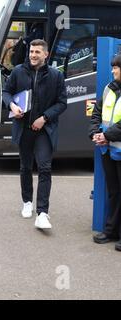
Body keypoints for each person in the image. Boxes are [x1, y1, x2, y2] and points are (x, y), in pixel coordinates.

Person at [3, 39, 67, 229]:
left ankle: (42, 213)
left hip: (44, 130)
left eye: (37, 52)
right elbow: (6, 92)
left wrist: (44, 118)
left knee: (45, 168)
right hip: (24, 128)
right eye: (31, 51)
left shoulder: (56, 76)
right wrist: (12, 105)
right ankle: (27, 202)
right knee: (25, 167)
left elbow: (62, 103)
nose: (33, 55)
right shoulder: (17, 72)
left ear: (46, 55)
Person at [90, 54, 121, 250]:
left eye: (116, 67)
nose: (112, 70)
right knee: (114, 192)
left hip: (112, 145)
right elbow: (96, 113)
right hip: (108, 150)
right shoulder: (109, 89)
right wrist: (95, 133)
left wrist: (106, 135)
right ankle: (111, 231)